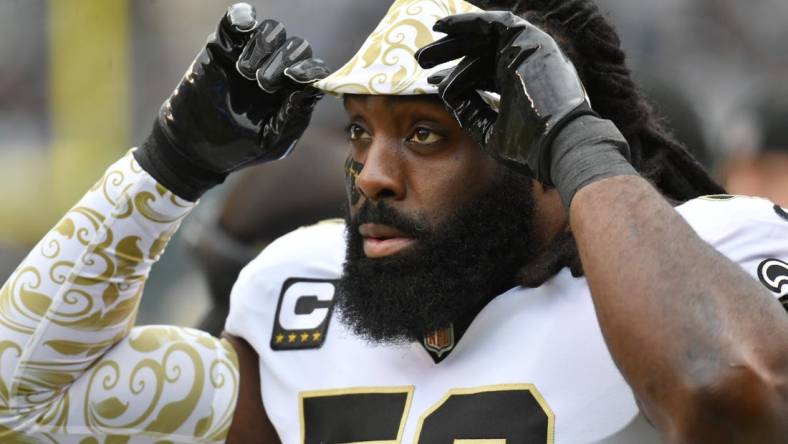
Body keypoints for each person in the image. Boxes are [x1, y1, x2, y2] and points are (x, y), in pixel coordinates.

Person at [1, 0, 787, 442]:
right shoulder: (300, 290)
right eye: (358, 130)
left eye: (423, 135)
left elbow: (727, 394)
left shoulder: (723, 250)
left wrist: (579, 145)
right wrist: (165, 167)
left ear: (534, 145)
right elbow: (21, 402)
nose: (370, 175)